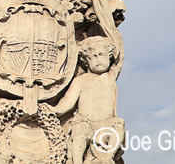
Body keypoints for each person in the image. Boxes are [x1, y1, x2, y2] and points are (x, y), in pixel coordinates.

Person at [52, 36, 125, 164]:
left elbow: (120, 57)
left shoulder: (110, 76)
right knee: (79, 133)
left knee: (119, 125)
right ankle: (77, 161)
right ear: (86, 61)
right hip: (85, 121)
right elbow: (68, 100)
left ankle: (108, 159)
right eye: (93, 57)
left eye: (101, 55)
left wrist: (114, 35)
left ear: (109, 56)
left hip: (106, 122)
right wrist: (55, 109)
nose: (98, 60)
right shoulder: (81, 80)